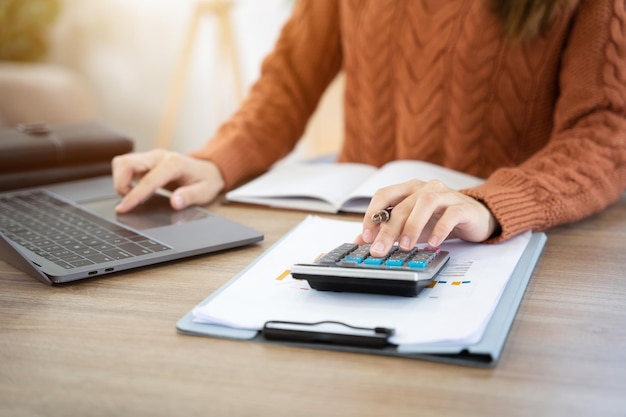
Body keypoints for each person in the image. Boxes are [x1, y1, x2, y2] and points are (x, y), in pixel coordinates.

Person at [113, 0, 626, 257]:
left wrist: (492, 204)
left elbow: (606, 131)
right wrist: (215, 160)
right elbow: (288, 85)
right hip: (370, 235)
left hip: (515, 243)